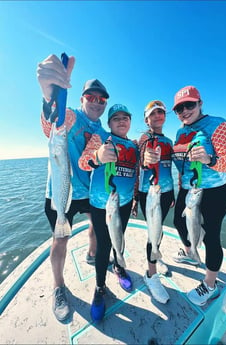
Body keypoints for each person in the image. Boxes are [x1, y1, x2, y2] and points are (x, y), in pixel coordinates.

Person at [37, 54, 109, 321]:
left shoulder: (103, 133)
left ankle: (92, 255)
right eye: (91, 97)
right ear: (81, 99)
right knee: (60, 238)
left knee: (96, 228)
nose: (96, 102)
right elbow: (52, 124)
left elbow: (85, 160)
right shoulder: (71, 116)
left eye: (101, 99)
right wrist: (48, 97)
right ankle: (58, 287)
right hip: (59, 192)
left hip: (87, 193)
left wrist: (97, 156)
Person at [171, 85, 226, 306]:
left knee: (211, 237)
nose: (184, 111)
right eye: (179, 108)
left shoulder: (219, 124)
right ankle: (191, 252)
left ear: (200, 103)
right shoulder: (180, 131)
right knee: (179, 223)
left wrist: (211, 159)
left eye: (189, 105)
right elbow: (181, 164)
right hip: (189, 190)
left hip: (215, 192)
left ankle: (210, 285)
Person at [78, 104, 138, 322]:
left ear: (130, 121)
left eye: (125, 117)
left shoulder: (134, 146)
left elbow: (135, 173)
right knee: (103, 246)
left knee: (119, 240)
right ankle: (100, 286)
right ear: (109, 122)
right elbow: (84, 163)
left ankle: (118, 267)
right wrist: (97, 155)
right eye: (116, 118)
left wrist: (135, 199)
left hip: (124, 203)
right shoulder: (100, 137)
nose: (121, 121)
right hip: (101, 205)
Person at [137, 100, 175, 304]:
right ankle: (151, 274)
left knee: (159, 231)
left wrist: (174, 193)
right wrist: (146, 159)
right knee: (153, 233)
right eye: (153, 114)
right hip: (149, 194)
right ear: (146, 119)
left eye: (161, 112)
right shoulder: (143, 138)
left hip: (167, 192)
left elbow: (171, 168)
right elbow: (141, 160)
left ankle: (156, 256)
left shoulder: (169, 141)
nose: (158, 116)